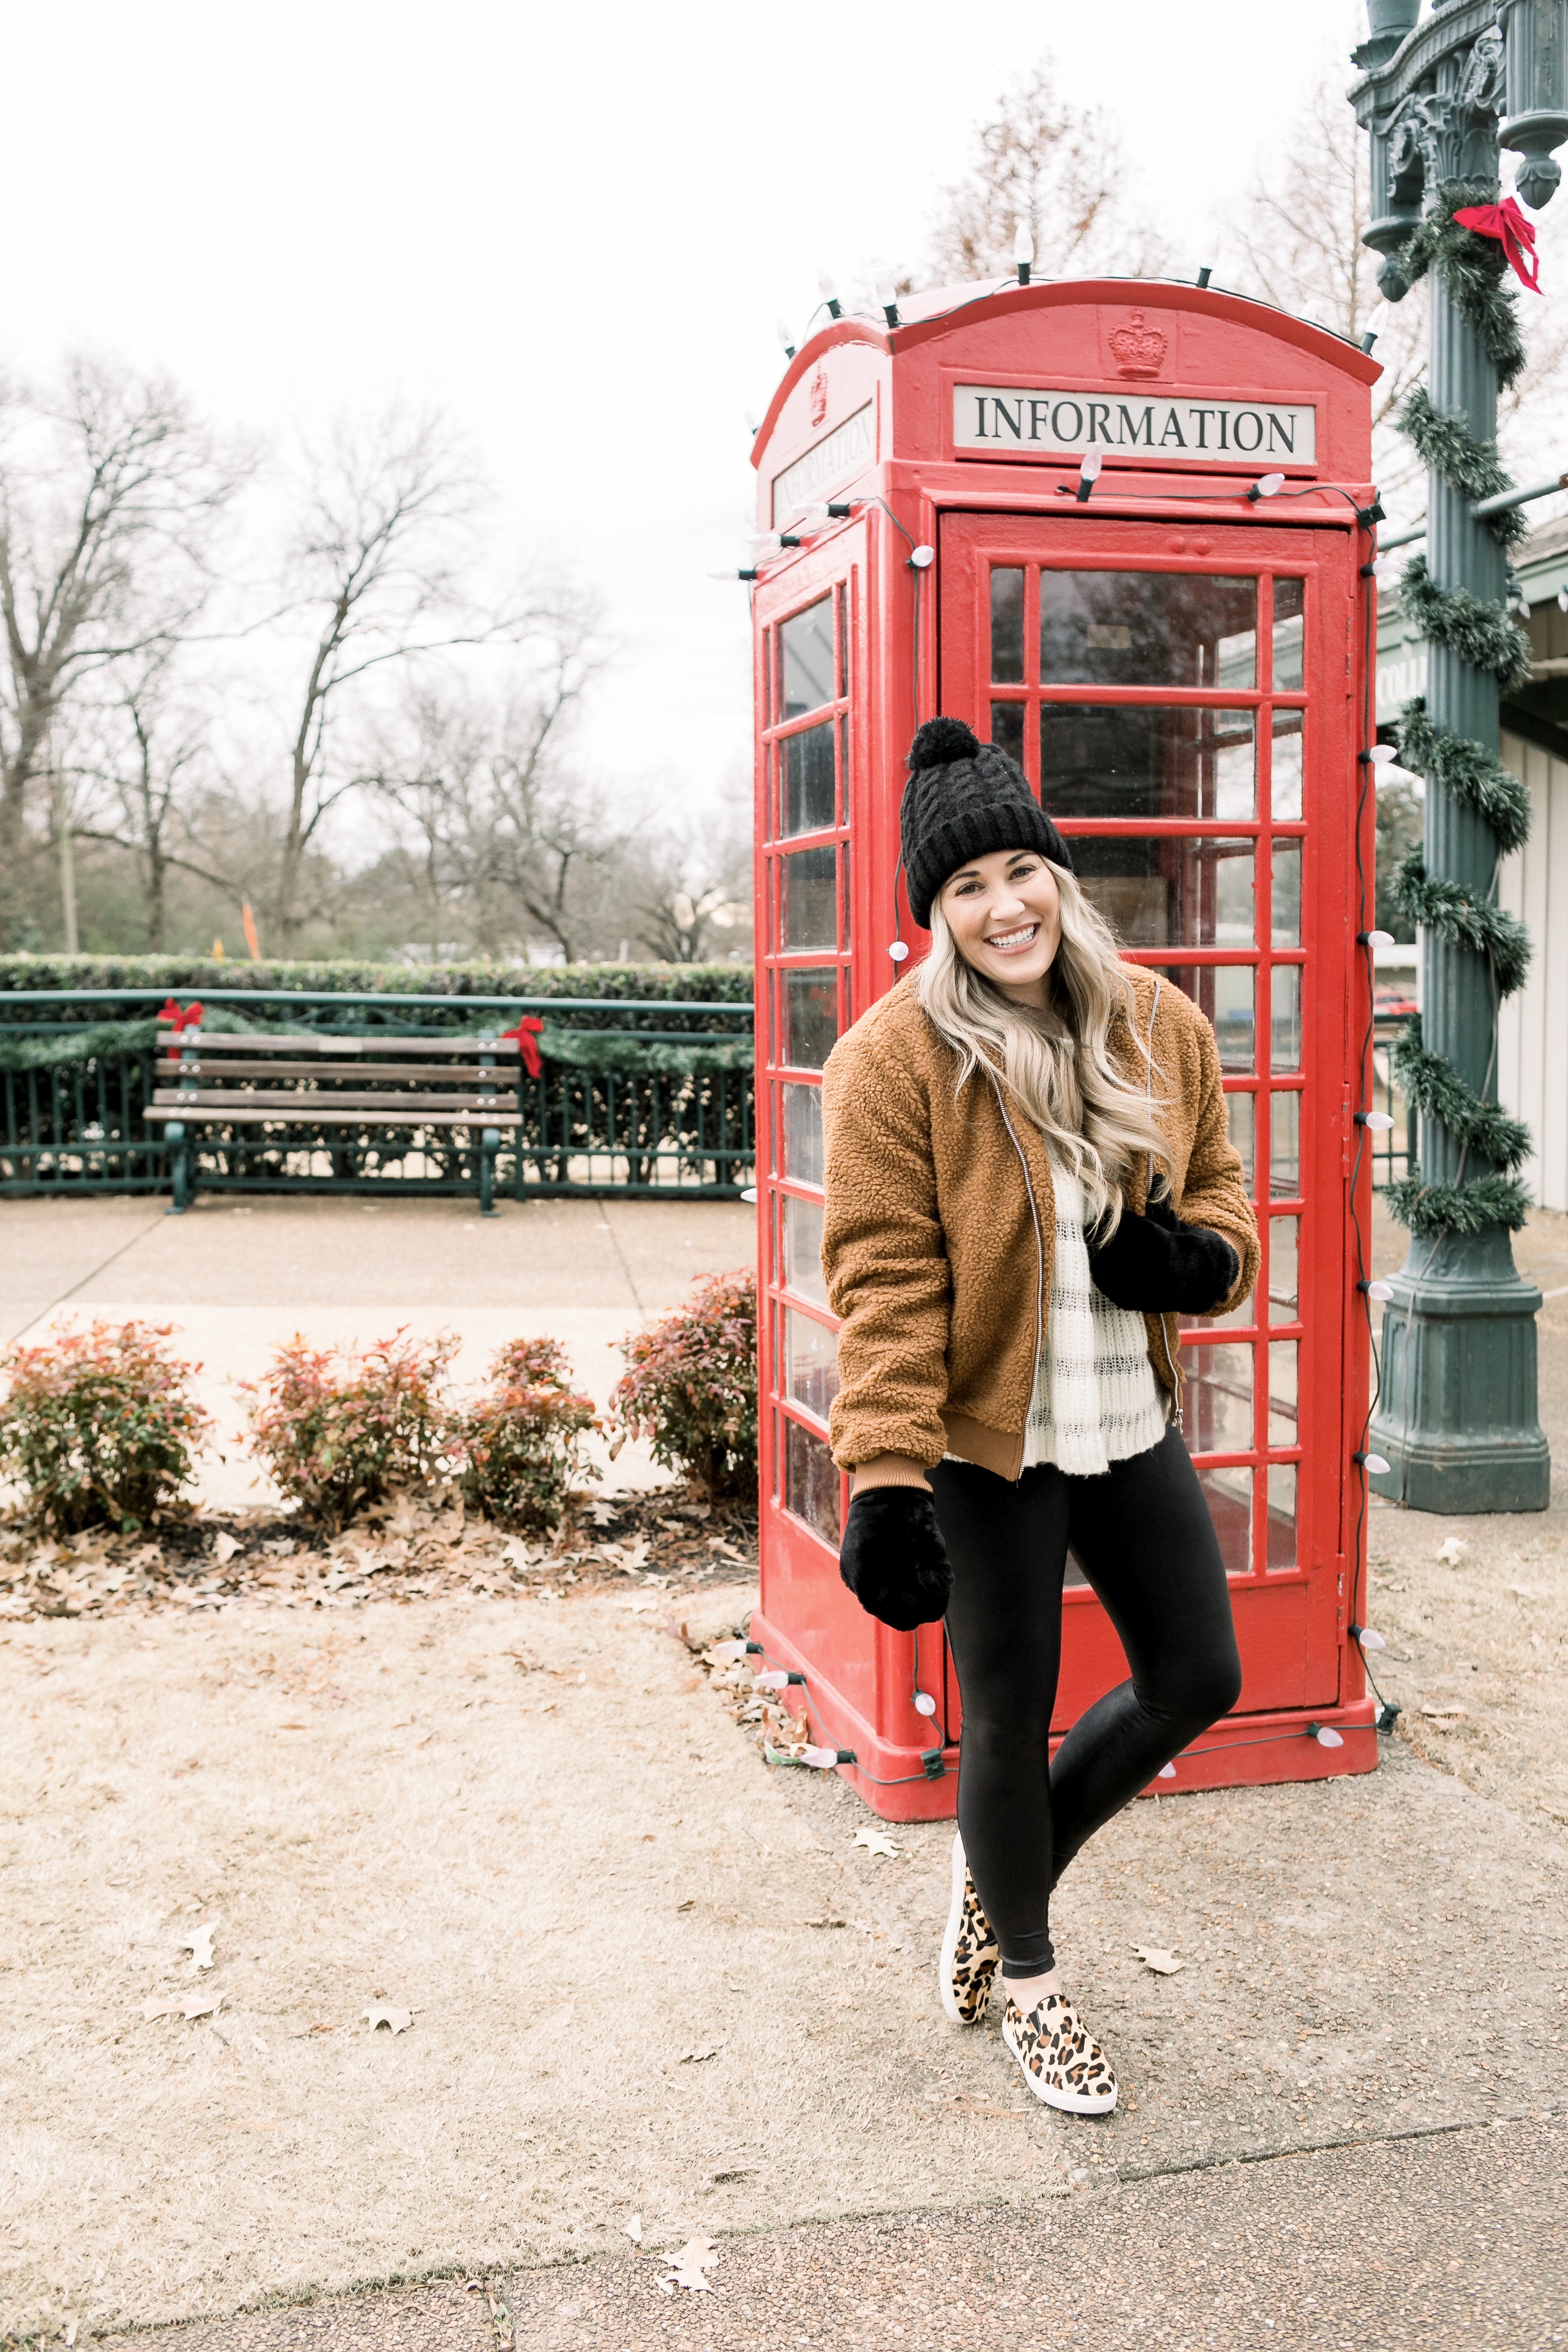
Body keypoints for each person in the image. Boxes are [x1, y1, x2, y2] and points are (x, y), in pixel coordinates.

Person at [820, 716, 1258, 2116]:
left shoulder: (1158, 1025)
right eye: (966, 888)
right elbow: (886, 1277)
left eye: (1021, 870)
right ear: (935, 915)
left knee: (1200, 1675)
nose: (1002, 905)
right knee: (1004, 1721)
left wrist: (1197, 1260)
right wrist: (881, 1481)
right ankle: (1033, 1982)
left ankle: (999, 1884)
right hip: (983, 1441)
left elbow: (1228, 1198)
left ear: (1058, 877)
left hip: (1126, 1414)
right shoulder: (894, 1061)